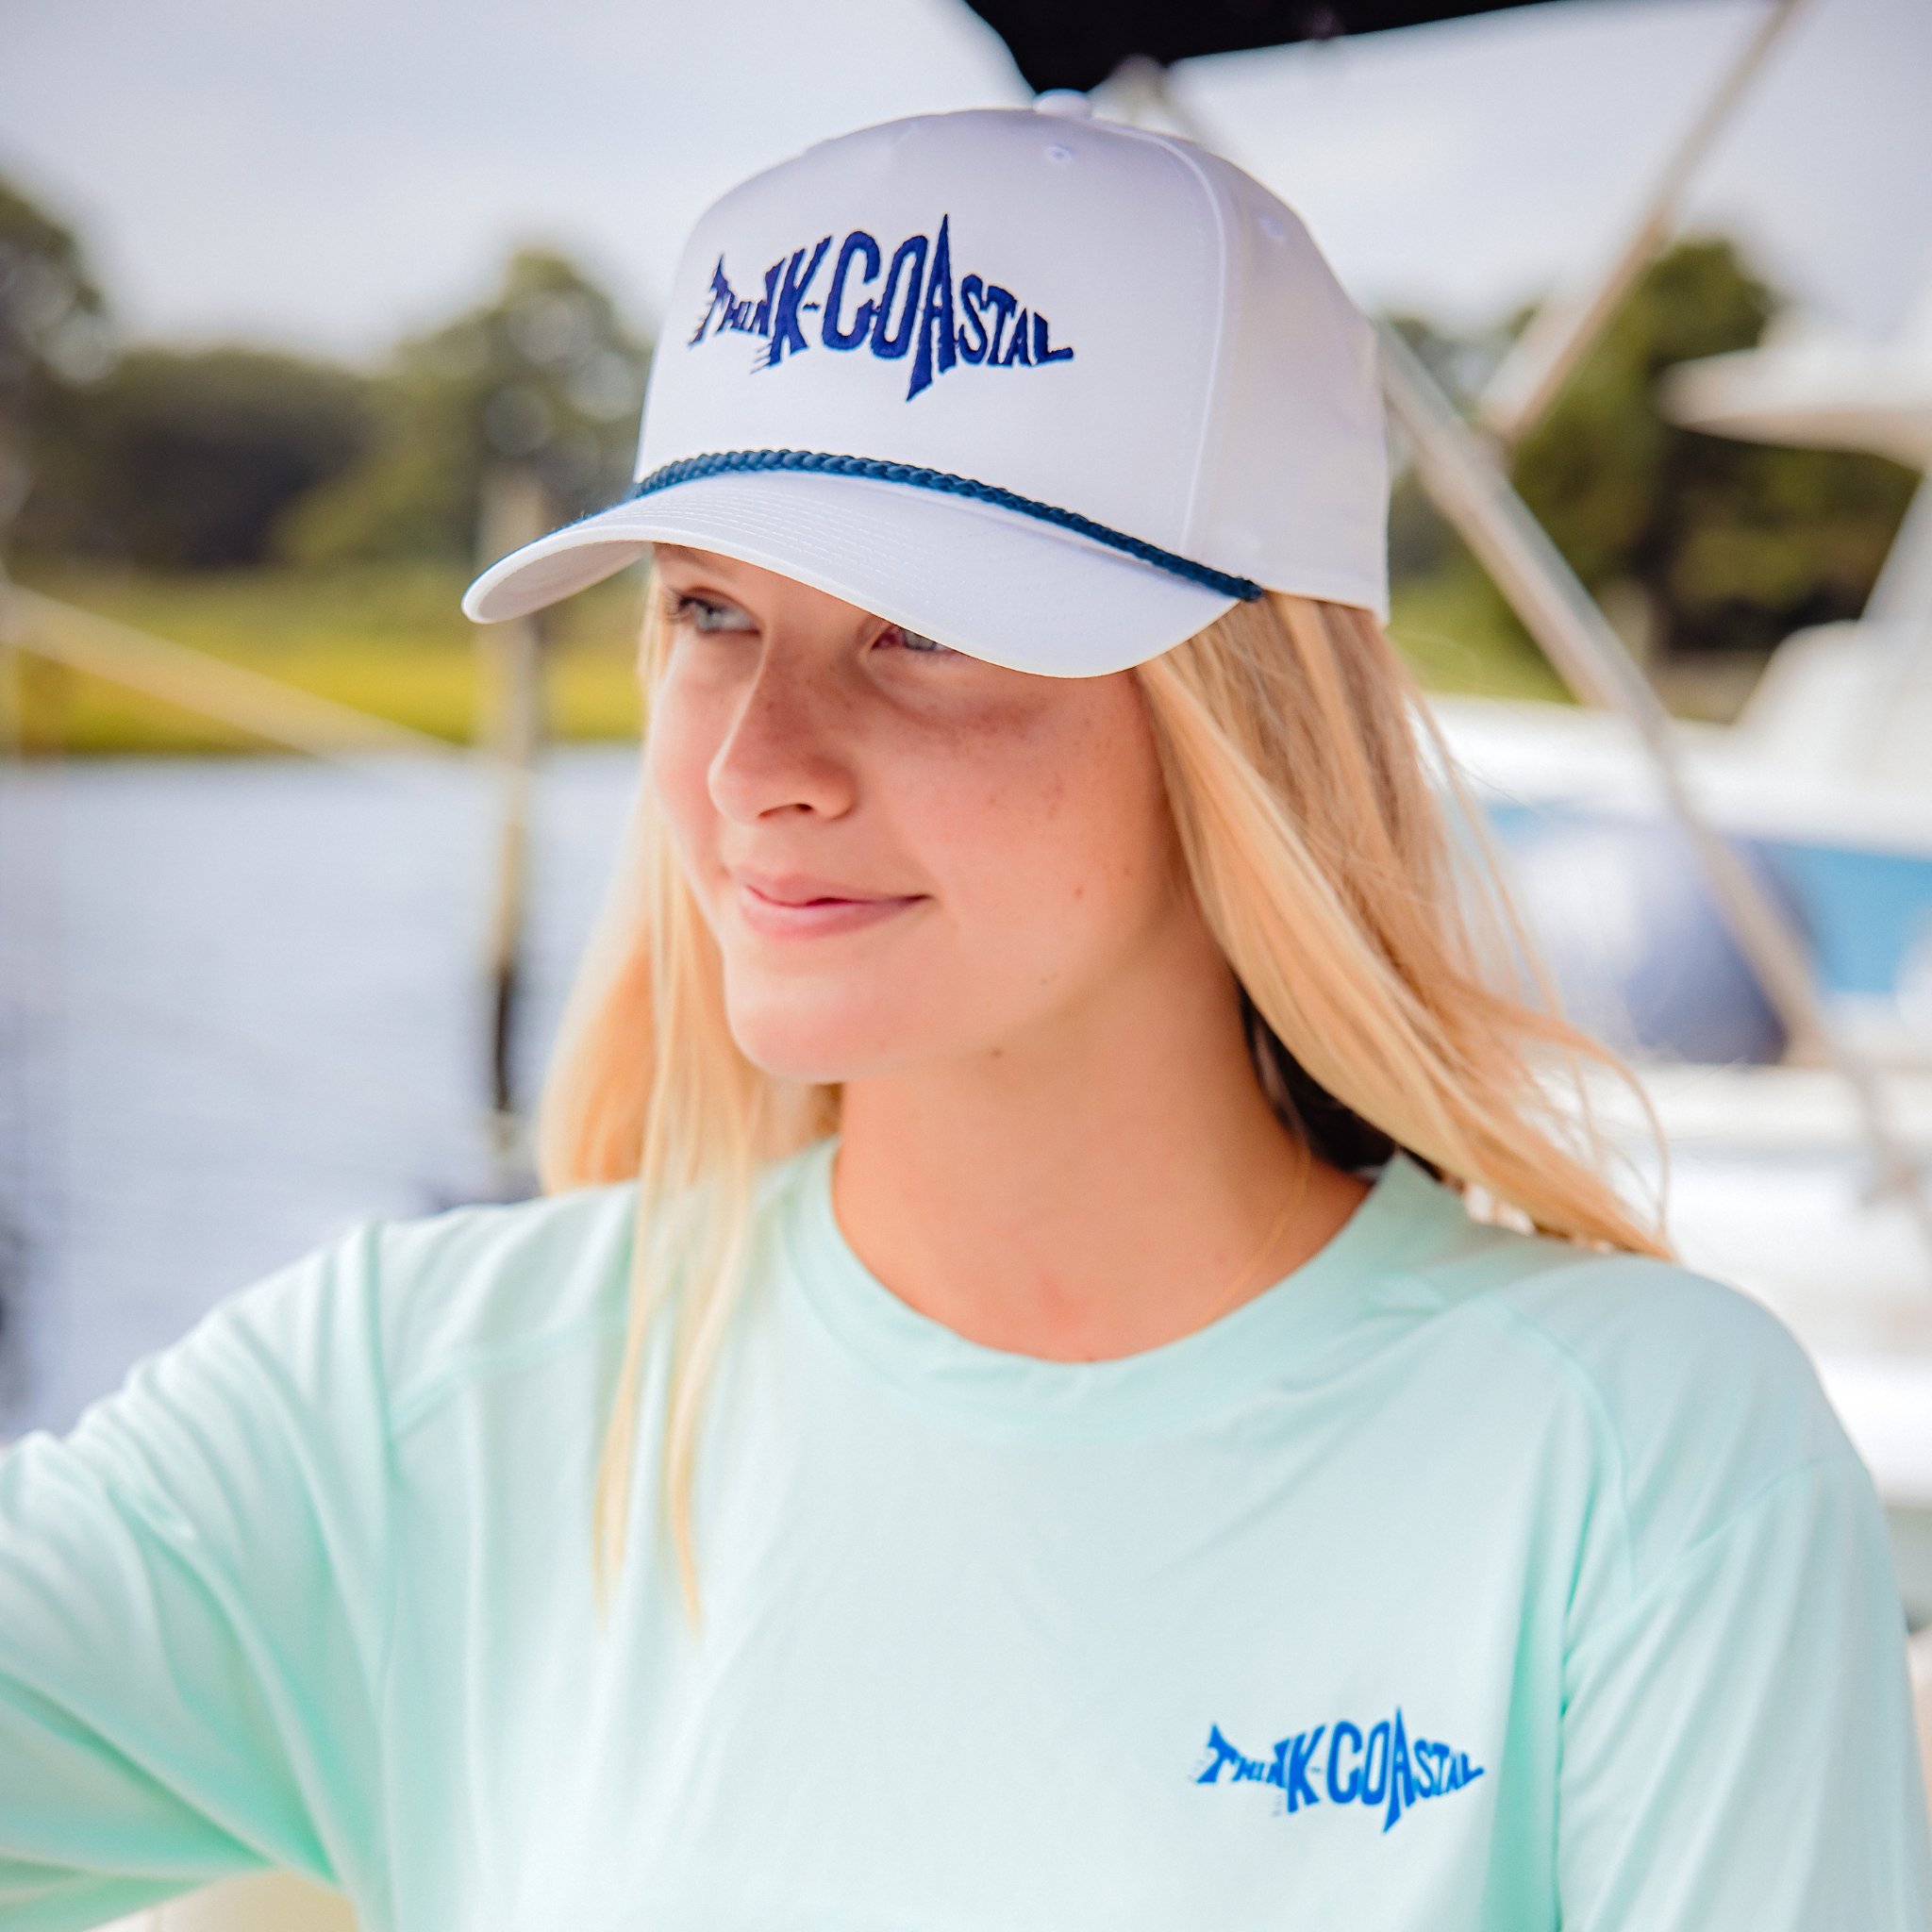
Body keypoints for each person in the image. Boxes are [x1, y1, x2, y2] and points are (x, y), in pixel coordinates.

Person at [2, 104, 1926, 1932]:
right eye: (707, 613)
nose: (757, 764)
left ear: (1239, 712)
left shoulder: (1645, 1468)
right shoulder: (411, 1406)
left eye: (917, 627)